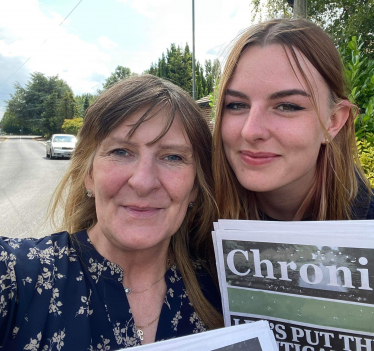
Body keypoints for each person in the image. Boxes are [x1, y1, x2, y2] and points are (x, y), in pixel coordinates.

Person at [0, 75, 223, 350]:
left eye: (173, 157)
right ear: (89, 174)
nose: (143, 182)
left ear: (194, 188)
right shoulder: (14, 277)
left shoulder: (225, 293)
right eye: (121, 151)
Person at [213, 18, 374, 221]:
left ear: (333, 121)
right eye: (236, 105)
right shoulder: (187, 226)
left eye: (287, 107)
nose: (250, 131)